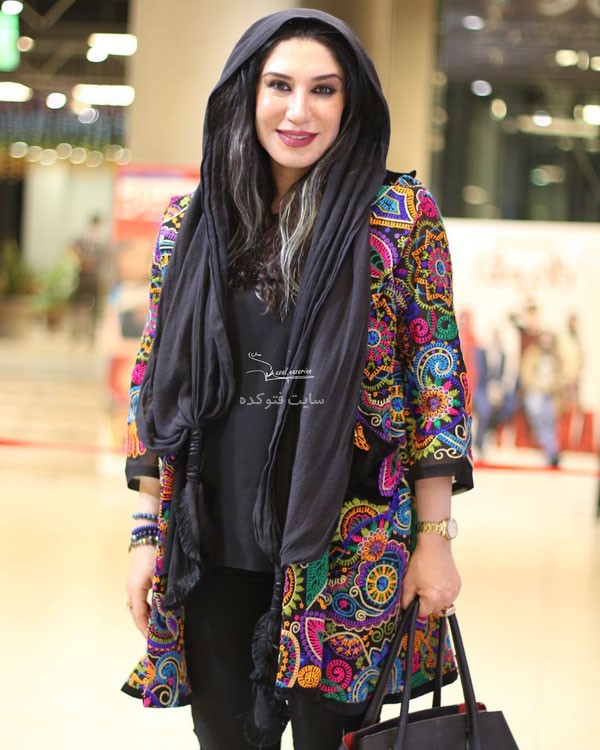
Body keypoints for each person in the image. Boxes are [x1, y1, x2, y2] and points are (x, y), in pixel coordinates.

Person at [123, 9, 473, 750]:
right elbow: (155, 382)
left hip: (351, 549)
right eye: (280, 86)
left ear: (352, 102)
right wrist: (145, 534)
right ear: (247, 92)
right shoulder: (193, 222)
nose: (298, 111)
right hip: (213, 544)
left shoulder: (398, 219)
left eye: (324, 89)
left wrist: (436, 538)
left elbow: (436, 381)